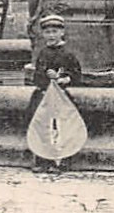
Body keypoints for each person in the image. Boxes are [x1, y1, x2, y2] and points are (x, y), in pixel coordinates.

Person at [26, 14, 83, 173]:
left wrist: (63, 79)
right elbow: (36, 76)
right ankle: (42, 159)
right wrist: (45, 77)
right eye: (48, 32)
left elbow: (77, 76)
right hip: (44, 94)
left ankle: (62, 160)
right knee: (41, 126)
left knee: (61, 127)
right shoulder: (43, 53)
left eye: (54, 32)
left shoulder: (68, 54)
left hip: (61, 96)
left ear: (62, 33)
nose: (51, 35)